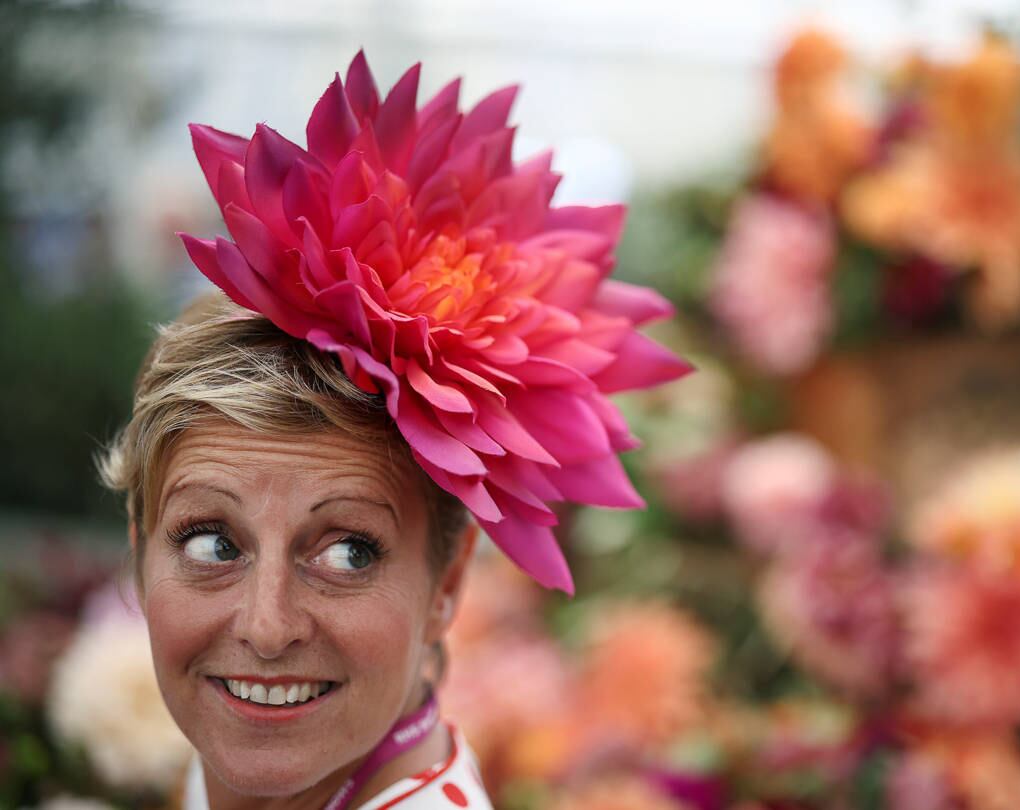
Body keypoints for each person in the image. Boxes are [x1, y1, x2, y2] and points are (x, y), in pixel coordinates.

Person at [97, 50, 688, 809]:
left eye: (349, 551)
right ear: (140, 546)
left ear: (446, 582)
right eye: (212, 541)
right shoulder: (230, 761)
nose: (266, 627)